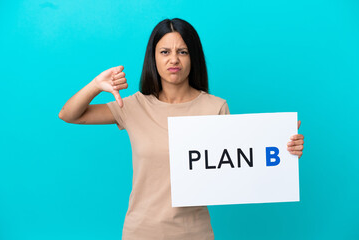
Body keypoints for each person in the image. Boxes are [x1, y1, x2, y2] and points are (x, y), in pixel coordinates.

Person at [58, 18, 304, 240]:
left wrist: (283, 149)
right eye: (164, 51)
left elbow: (241, 165)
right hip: (140, 232)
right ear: (153, 57)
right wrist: (95, 85)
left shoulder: (215, 107)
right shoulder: (133, 106)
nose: (173, 59)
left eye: (182, 51)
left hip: (194, 232)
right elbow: (69, 115)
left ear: (193, 57)